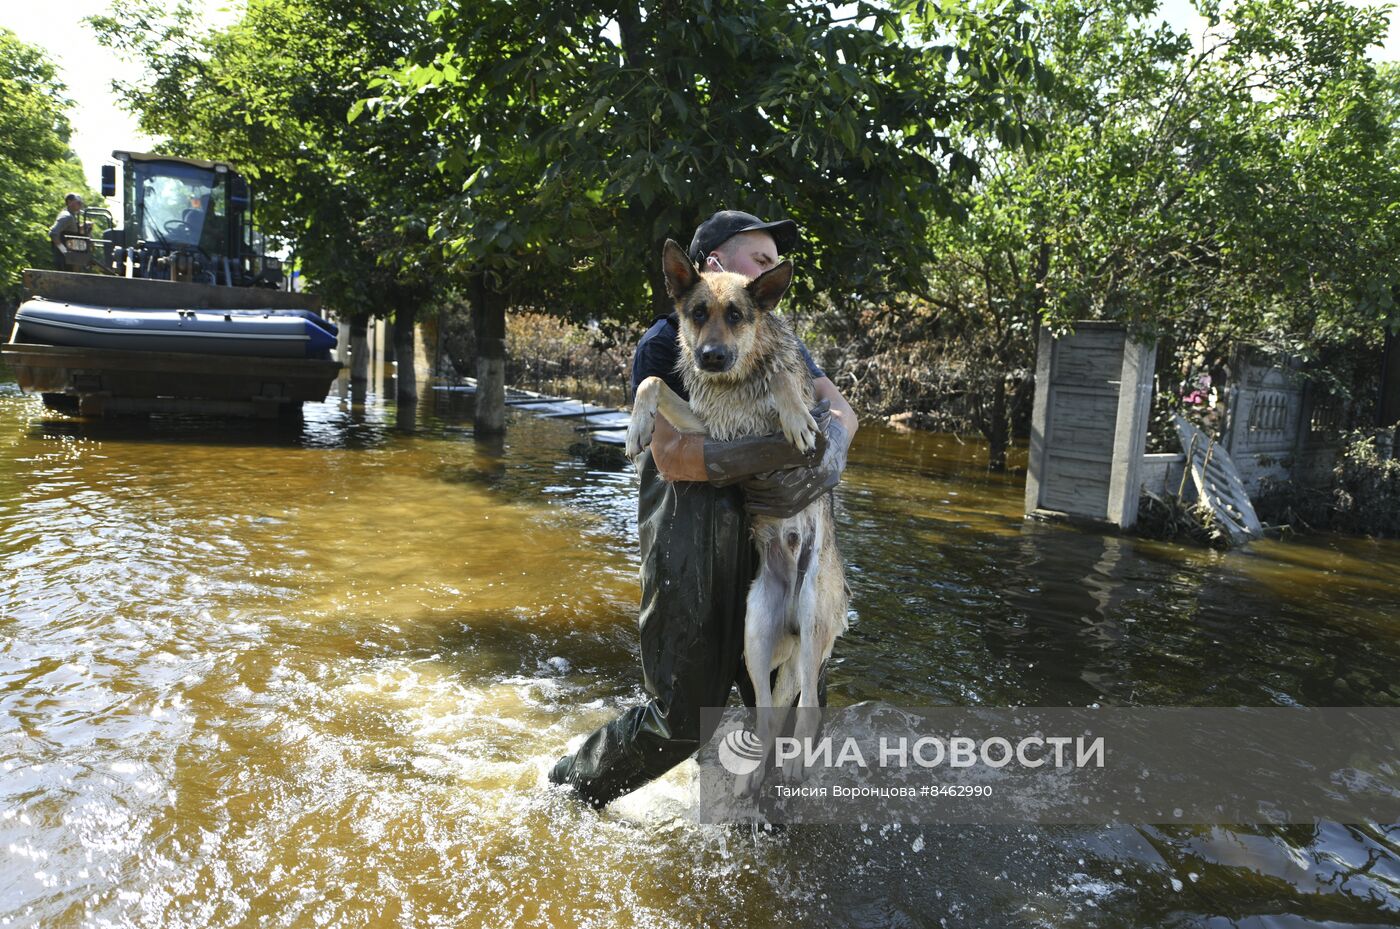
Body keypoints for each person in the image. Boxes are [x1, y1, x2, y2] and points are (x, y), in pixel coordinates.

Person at [549, 210, 858, 808]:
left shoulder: (775, 338)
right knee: (686, 715)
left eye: (774, 267)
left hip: (772, 532)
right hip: (691, 536)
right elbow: (674, 457)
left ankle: (756, 831)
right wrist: (776, 451)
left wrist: (832, 452)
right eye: (759, 260)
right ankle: (568, 788)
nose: (768, 273)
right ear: (713, 265)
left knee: (790, 699)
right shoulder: (666, 342)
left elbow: (838, 407)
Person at [49, 193, 86, 270]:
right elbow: (53, 233)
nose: (80, 205)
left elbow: (70, 231)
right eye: (78, 203)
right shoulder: (67, 216)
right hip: (64, 260)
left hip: (70, 259)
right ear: (69, 202)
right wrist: (64, 251)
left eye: (81, 203)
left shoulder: (71, 216)